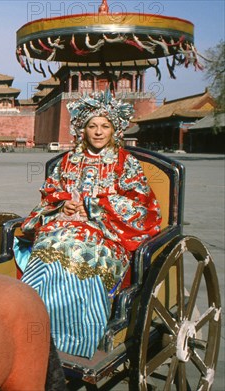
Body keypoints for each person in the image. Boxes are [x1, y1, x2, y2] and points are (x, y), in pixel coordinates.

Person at [14, 91, 162, 359]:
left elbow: (141, 205)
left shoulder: (125, 163)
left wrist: (96, 206)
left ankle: (76, 337)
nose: (98, 132)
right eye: (92, 126)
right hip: (64, 226)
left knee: (78, 252)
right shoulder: (68, 160)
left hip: (108, 233)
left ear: (115, 129)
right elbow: (51, 191)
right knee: (47, 249)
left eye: (105, 126)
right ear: (82, 129)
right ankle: (32, 327)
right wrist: (62, 205)